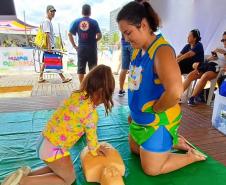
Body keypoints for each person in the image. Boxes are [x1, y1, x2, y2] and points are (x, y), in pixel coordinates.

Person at [117, 1, 206, 176]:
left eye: (128, 32)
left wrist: (157, 108)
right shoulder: (138, 50)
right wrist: (134, 111)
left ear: (143, 25)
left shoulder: (162, 51)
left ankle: (190, 156)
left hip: (157, 121)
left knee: (151, 169)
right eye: (124, 34)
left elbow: (174, 92)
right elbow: (139, 85)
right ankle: (173, 142)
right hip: (139, 120)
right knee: (136, 151)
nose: (126, 38)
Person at [1, 64, 115, 185]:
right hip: (54, 149)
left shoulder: (76, 95)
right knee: (68, 179)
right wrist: (96, 150)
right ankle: (23, 181)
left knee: (57, 170)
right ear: (102, 93)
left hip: (44, 140)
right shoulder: (91, 114)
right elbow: (92, 142)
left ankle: (25, 175)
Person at [184, 31, 226, 106]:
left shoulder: (223, 51)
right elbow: (207, 60)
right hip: (208, 65)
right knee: (191, 75)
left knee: (205, 76)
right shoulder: (220, 48)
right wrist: (212, 57)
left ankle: (192, 98)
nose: (223, 42)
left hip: (217, 68)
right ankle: (176, 95)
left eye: (225, 40)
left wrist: (224, 53)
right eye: (222, 40)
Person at [68, 4, 102, 84]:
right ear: (90, 12)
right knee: (93, 69)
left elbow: (69, 34)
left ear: (82, 12)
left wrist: (74, 46)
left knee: (81, 69)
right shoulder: (94, 22)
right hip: (92, 49)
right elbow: (100, 35)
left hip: (81, 48)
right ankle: (92, 87)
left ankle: (82, 87)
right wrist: (94, 41)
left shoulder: (77, 21)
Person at [38, 5, 72, 83]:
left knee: (45, 61)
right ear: (47, 12)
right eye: (51, 11)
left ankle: (40, 77)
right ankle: (63, 78)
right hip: (48, 46)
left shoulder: (48, 21)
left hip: (48, 46)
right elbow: (47, 34)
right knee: (55, 61)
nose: (53, 13)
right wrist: (49, 47)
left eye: (54, 12)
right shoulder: (47, 21)